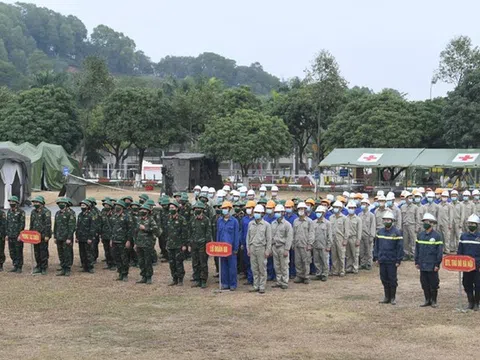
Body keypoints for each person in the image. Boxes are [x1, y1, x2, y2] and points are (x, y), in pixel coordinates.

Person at [374, 211, 403, 305]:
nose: (386, 221)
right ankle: (386, 297)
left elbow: (400, 248)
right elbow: (376, 246)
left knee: (392, 279)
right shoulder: (380, 232)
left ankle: (393, 298)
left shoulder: (397, 233)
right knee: (384, 278)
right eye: (385, 220)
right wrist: (376, 257)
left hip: (392, 260)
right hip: (382, 259)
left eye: (388, 220)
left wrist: (398, 260)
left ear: (392, 221)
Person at [415, 213, 443, 308]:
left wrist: (437, 264)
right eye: (424, 222)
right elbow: (417, 249)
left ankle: (433, 300)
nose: (425, 223)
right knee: (424, 283)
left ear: (432, 223)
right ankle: (427, 300)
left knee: (433, 283)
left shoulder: (437, 236)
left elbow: (439, 252)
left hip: (432, 264)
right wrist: (417, 261)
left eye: (427, 222)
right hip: (422, 263)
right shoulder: (420, 235)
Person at [247, 205, 272, 294]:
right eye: (255, 212)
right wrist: (248, 249)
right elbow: (248, 237)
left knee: (262, 268)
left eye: (258, 213)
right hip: (252, 247)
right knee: (254, 268)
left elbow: (269, 239)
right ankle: (255, 285)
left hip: (261, 248)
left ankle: (262, 286)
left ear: (262, 214)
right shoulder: (251, 224)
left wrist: (267, 250)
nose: (256, 214)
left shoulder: (266, 225)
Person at [457, 214, 480, 311]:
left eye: (473, 224)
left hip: (477, 265)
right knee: (466, 283)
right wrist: (459, 263)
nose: (471, 225)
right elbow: (460, 251)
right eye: (470, 223)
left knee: (478, 285)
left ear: (477, 225)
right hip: (466, 266)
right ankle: (470, 301)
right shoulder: (463, 236)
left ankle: (477, 303)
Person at [216, 201, 239, 290]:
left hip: (231, 248)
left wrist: (236, 248)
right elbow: (218, 233)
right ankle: (224, 283)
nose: (224, 210)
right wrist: (217, 246)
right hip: (222, 248)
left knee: (232, 267)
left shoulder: (234, 221)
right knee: (223, 267)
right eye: (223, 209)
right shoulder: (219, 221)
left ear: (230, 209)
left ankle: (233, 284)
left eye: (226, 208)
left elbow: (236, 235)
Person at [165, 200, 189, 286]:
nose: (171, 209)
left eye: (173, 207)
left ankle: (180, 279)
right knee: (171, 263)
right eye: (170, 207)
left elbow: (184, 233)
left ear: (177, 208)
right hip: (170, 244)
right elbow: (166, 232)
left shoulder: (182, 219)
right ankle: (174, 278)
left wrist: (184, 244)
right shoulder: (168, 218)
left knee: (179, 262)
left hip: (179, 245)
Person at [110, 200, 134, 282]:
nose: (117, 207)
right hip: (114, 241)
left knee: (124, 258)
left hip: (123, 241)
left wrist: (128, 240)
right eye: (116, 205)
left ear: (122, 208)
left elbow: (130, 230)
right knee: (116, 257)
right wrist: (111, 239)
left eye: (118, 205)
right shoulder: (113, 216)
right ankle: (120, 273)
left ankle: (125, 274)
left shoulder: (127, 217)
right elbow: (112, 229)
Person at [189, 202, 212, 289]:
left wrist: (207, 245)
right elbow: (190, 232)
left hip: (203, 244)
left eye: (199, 208)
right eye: (195, 208)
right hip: (194, 244)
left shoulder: (206, 220)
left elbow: (208, 233)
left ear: (202, 210)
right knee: (195, 262)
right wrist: (189, 243)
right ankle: (196, 279)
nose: (197, 210)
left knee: (203, 263)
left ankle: (203, 280)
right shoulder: (192, 219)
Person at [135, 204, 158, 284]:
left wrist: (145, 228)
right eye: (141, 210)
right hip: (139, 243)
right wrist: (135, 243)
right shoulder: (138, 219)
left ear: (148, 212)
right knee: (141, 261)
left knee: (147, 261)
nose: (142, 211)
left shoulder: (151, 220)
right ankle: (143, 276)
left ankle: (149, 277)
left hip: (148, 243)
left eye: (144, 210)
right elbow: (136, 232)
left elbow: (155, 230)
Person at [271, 204, 293, 289]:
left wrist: (287, 249)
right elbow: (271, 236)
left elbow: (289, 237)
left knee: (284, 265)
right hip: (274, 246)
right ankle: (278, 281)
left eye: (279, 212)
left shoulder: (287, 224)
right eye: (276, 212)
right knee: (276, 265)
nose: (277, 214)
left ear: (283, 213)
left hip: (283, 247)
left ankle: (284, 281)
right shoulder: (273, 223)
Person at [292, 202, 314, 284]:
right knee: (298, 261)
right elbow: (293, 233)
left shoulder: (309, 221)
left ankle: (306, 276)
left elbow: (311, 233)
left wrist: (310, 244)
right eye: (299, 209)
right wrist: (293, 243)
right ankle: (299, 276)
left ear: (305, 210)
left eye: (302, 209)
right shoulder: (295, 221)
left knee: (306, 261)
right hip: (297, 244)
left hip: (305, 245)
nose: (301, 211)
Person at [53, 198, 76, 276]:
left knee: (67, 253)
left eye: (62, 203)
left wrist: (69, 238)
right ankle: (63, 268)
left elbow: (72, 227)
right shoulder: (57, 213)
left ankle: (68, 269)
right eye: (59, 203)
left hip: (66, 237)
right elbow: (55, 225)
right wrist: (55, 236)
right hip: (59, 237)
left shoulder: (70, 213)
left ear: (66, 204)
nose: (60, 204)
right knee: (61, 253)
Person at [30, 196, 51, 275]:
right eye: (34, 202)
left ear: (42, 203)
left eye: (37, 202)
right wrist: (30, 234)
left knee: (43, 251)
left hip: (43, 235)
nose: (35, 204)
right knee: (36, 252)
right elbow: (31, 224)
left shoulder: (46, 212)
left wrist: (47, 235)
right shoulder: (33, 212)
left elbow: (48, 225)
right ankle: (38, 266)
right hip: (35, 236)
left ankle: (44, 267)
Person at [76, 199, 96, 274]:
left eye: (84, 205)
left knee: (89, 253)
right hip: (81, 237)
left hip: (88, 238)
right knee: (82, 253)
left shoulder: (91, 215)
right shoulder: (80, 215)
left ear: (88, 206)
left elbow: (93, 228)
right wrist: (77, 237)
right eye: (81, 205)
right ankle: (84, 266)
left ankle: (90, 267)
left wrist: (90, 238)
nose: (82, 206)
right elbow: (78, 226)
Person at [312, 205, 331, 281]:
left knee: (324, 260)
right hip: (315, 245)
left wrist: (328, 245)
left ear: (323, 213)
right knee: (316, 260)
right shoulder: (313, 223)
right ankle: (318, 273)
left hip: (324, 245)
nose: (318, 214)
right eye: (317, 212)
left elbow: (329, 235)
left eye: (320, 212)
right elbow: (312, 234)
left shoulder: (327, 223)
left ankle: (325, 274)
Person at [6, 196, 25, 273]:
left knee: (18, 251)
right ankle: (15, 265)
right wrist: (7, 234)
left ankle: (19, 267)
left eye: (13, 202)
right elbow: (7, 224)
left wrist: (20, 235)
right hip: (10, 235)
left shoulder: (21, 212)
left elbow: (22, 224)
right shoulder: (9, 211)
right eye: (10, 202)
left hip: (18, 236)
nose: (11, 203)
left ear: (17, 203)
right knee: (12, 251)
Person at [344, 201, 362, 274]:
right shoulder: (345, 218)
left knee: (355, 254)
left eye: (352, 208)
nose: (351, 209)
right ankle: (348, 267)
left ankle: (355, 268)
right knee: (348, 255)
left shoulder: (358, 219)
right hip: (347, 238)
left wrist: (358, 240)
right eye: (349, 208)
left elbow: (359, 230)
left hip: (354, 238)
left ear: (355, 209)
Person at [241, 200, 256, 286]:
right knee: (247, 261)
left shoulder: (256, 219)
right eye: (247, 208)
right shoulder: (244, 219)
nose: (248, 210)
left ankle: (254, 278)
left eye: (250, 208)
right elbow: (242, 231)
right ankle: (249, 277)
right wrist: (242, 243)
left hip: (254, 243)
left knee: (254, 262)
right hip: (245, 242)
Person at [401, 192, 419, 261]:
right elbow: (401, 218)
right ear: (405, 199)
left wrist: (417, 227)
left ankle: (412, 254)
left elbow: (417, 218)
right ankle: (405, 254)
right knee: (405, 241)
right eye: (409, 198)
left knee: (413, 240)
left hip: (412, 225)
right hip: (405, 225)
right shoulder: (402, 207)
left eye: (411, 198)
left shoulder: (415, 207)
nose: (410, 199)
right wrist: (401, 227)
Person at [330, 200, 346, 277]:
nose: (335, 209)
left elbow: (347, 230)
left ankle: (342, 270)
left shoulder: (344, 218)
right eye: (334, 207)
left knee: (341, 255)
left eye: (337, 207)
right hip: (332, 239)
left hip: (340, 238)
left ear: (340, 208)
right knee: (334, 255)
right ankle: (335, 270)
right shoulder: (331, 217)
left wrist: (345, 240)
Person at [359, 198, 376, 270]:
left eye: (364, 204)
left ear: (368, 205)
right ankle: (363, 263)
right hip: (361, 235)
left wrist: (372, 236)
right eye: (362, 204)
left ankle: (369, 263)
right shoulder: (359, 215)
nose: (363, 205)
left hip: (368, 235)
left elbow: (373, 226)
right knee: (361, 250)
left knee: (369, 250)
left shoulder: (371, 215)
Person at [284, 200, 298, 279]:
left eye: (289, 207)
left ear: (293, 208)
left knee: (292, 258)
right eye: (286, 207)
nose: (287, 209)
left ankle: (292, 272)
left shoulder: (295, 217)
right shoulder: (284, 216)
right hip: (284, 240)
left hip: (292, 240)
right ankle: (287, 273)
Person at [100, 199, 115, 270]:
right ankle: (109, 264)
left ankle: (114, 264)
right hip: (104, 235)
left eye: (107, 205)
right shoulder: (102, 214)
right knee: (106, 251)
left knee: (112, 251)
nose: (106, 206)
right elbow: (100, 224)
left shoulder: (114, 215)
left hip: (112, 236)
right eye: (105, 205)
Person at [263, 200, 276, 281]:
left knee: (276, 260)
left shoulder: (276, 218)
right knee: (268, 260)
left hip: (275, 242)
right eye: (267, 208)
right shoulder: (265, 218)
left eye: (270, 208)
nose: (268, 209)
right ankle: (269, 274)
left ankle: (275, 275)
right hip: (267, 241)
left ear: (274, 208)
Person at [0, 205, 6, 272]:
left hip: (0, 236)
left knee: (0, 251)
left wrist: (2, 235)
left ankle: (0, 265)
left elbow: (3, 225)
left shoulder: (1, 213)